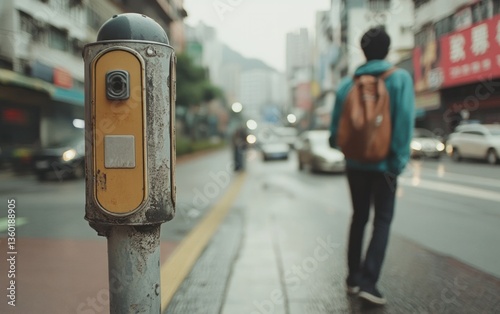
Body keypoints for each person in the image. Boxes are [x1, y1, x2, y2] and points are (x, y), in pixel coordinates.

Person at [329, 27, 415, 305]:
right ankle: (369, 281)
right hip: (386, 166)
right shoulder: (400, 79)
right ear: (388, 50)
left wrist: (352, 152)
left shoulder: (346, 85)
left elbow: (334, 135)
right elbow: (403, 124)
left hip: (355, 166)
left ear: (362, 50)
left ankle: (353, 278)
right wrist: (398, 163)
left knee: (359, 217)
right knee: (383, 220)